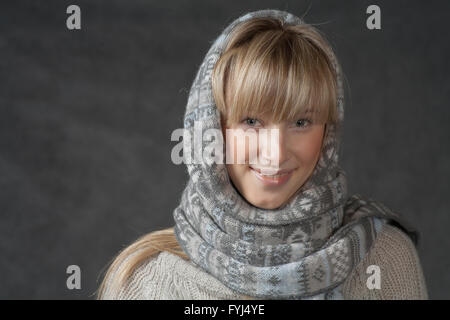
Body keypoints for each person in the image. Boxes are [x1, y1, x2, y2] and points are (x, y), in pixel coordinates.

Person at [97, 9, 428, 300]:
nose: (275, 152)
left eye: (301, 121)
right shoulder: (144, 283)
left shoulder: (383, 259)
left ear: (328, 132)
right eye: (251, 121)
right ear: (212, 130)